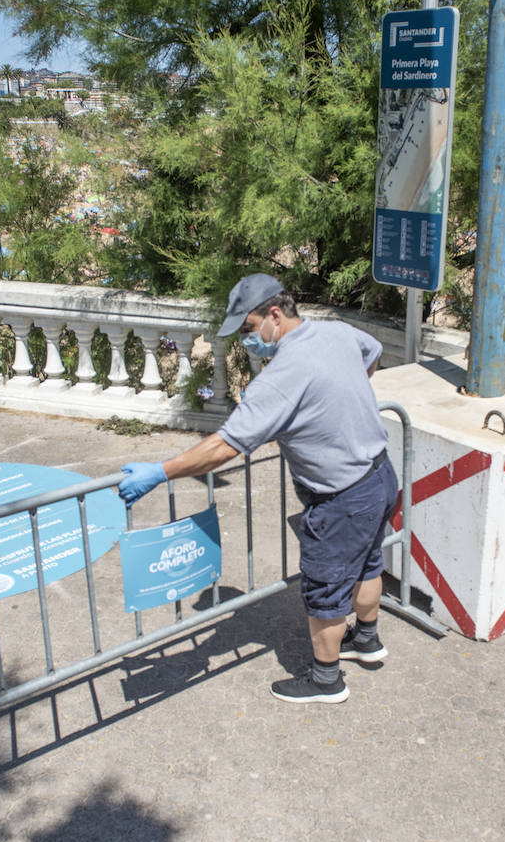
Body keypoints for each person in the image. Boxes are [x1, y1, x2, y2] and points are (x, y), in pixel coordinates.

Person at [117, 274, 398, 705]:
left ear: (274, 314)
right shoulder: (335, 332)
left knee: (325, 587)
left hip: (340, 497)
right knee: (366, 564)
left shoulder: (281, 377)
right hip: (379, 475)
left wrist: (160, 471)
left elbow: (223, 446)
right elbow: (373, 354)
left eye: (248, 330)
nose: (247, 341)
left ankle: (326, 681)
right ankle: (366, 640)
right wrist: (339, 400)